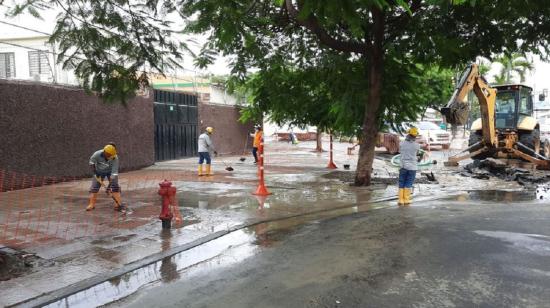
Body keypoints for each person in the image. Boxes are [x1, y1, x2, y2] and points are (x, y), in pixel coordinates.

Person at [86, 144, 122, 211]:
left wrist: (108, 187)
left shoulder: (115, 157)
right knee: (94, 187)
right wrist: (95, 173)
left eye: (112, 155)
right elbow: (91, 163)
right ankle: (91, 205)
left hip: (110, 171)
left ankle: (118, 204)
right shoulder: (97, 154)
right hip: (99, 171)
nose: (111, 156)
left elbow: (114, 173)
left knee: (115, 187)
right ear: (106, 153)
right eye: (110, 155)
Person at [398, 127, 423, 206]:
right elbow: (418, 156)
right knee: (409, 182)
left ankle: (400, 200)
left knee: (401, 182)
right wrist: (419, 158)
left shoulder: (401, 143)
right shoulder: (417, 145)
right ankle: (406, 200)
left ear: (408, 134)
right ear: (415, 136)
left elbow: (400, 152)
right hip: (412, 167)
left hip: (403, 166)